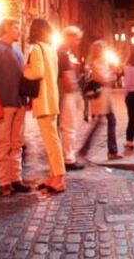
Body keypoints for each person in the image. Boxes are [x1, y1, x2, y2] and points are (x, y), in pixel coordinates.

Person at [0, 19, 30, 196]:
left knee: (17, 143)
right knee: (3, 143)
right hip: (4, 103)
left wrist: (27, 99)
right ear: (6, 28)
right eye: (16, 27)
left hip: (19, 103)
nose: (19, 31)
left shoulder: (18, 50)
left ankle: (16, 178)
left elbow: (23, 77)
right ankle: (4, 181)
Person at [23, 19, 66, 194]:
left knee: (51, 141)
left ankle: (59, 177)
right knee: (51, 140)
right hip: (51, 97)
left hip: (44, 99)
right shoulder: (50, 49)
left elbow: (37, 72)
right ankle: (53, 175)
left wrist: (24, 69)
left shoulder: (36, 49)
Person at [77, 40, 121, 162]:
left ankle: (86, 149)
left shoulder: (102, 63)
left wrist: (112, 72)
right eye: (102, 49)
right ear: (98, 51)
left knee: (102, 123)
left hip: (105, 97)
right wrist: (112, 74)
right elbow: (105, 79)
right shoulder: (96, 63)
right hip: (101, 98)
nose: (103, 51)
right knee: (106, 122)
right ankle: (111, 151)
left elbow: (109, 78)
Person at [57, 26, 84, 171]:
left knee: (68, 127)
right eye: (77, 39)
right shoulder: (62, 53)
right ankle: (68, 159)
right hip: (67, 95)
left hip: (68, 94)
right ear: (69, 37)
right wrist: (74, 90)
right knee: (69, 127)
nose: (78, 42)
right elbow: (67, 78)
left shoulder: (64, 52)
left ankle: (68, 156)